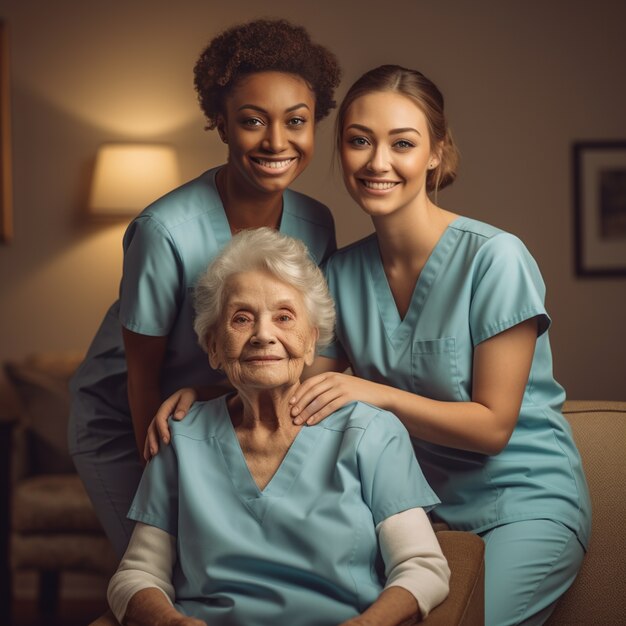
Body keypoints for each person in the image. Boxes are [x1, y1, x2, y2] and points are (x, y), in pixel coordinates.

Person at [156, 65, 592, 626]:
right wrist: (203, 391)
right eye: (359, 141)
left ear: (436, 152)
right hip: (411, 511)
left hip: (522, 507)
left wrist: (374, 393)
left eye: (402, 143)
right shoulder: (341, 269)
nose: (377, 162)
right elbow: (300, 386)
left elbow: (493, 427)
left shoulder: (496, 259)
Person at [68, 18, 341, 559]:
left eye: (297, 121)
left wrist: (214, 402)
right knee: (164, 573)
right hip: (127, 418)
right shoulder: (163, 230)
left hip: (215, 407)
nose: (277, 141)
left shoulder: (317, 222)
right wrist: (169, 484)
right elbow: (143, 378)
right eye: (252, 121)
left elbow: (306, 353)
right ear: (219, 122)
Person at [105, 228, 450, 626]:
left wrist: (365, 625)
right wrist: (173, 622)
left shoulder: (371, 433)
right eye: (241, 318)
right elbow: (135, 575)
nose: (263, 335)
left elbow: (422, 567)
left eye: (284, 317)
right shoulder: (179, 437)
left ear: (310, 343)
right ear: (214, 347)